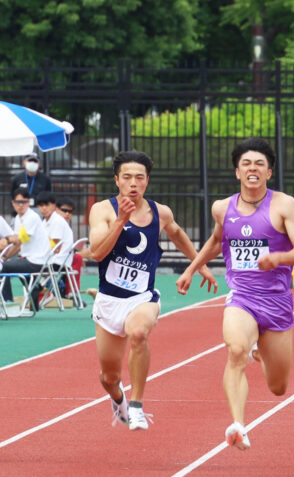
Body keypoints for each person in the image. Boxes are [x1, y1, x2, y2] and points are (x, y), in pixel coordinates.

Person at [176, 138, 294, 450]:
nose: (253, 169)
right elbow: (215, 241)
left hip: (276, 301)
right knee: (236, 350)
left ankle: (260, 351)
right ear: (237, 172)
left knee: (278, 386)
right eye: (247, 164)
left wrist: (277, 258)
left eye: (259, 164)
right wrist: (191, 268)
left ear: (269, 172)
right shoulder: (222, 208)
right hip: (241, 297)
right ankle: (238, 424)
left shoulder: (284, 205)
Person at [88, 150, 216, 431]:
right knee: (109, 377)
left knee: (138, 332)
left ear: (147, 181)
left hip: (142, 298)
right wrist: (121, 220)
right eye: (127, 177)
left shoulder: (161, 212)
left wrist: (199, 264)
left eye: (139, 178)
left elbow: (178, 234)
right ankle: (119, 398)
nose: (133, 183)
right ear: (117, 181)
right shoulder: (103, 211)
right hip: (109, 300)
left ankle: (136, 407)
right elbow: (97, 253)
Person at [0, 188, 51, 311]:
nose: (21, 205)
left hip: (37, 261)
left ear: (28, 203)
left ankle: (8, 303)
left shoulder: (32, 217)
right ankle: (36, 290)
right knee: (6, 264)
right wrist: (5, 257)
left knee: (3, 267)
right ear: (13, 203)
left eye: (24, 202)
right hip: (29, 259)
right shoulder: (18, 219)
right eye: (18, 202)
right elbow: (19, 245)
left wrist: (6, 239)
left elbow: (18, 240)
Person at [36, 191, 74, 306]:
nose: (44, 208)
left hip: (59, 260)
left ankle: (43, 293)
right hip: (51, 259)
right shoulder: (44, 221)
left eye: (47, 205)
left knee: (28, 267)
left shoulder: (57, 221)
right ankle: (41, 292)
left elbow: (56, 248)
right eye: (41, 206)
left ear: (54, 206)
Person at [56, 197, 93, 299]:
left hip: (59, 258)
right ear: (56, 209)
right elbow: (56, 247)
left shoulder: (62, 224)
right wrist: (77, 255)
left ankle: (71, 292)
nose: (67, 214)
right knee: (78, 258)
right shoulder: (57, 223)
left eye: (70, 212)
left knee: (77, 258)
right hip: (51, 260)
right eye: (64, 210)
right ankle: (71, 293)